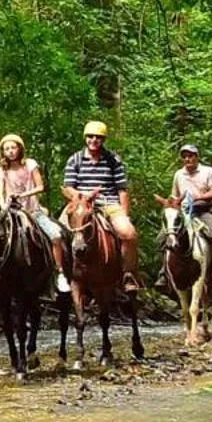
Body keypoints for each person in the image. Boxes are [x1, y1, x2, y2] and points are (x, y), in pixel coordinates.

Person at [61, 120, 141, 294]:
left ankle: (128, 274)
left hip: (108, 203)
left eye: (98, 137)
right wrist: (82, 196)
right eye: (90, 136)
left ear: (103, 139)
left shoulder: (113, 160)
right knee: (57, 233)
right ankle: (60, 273)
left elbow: (122, 189)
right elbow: (68, 187)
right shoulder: (74, 159)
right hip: (80, 204)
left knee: (129, 234)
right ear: (85, 138)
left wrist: (124, 214)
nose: (94, 140)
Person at [0, 133, 71, 293]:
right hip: (11, 212)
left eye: (13, 147)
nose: (10, 151)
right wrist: (4, 205)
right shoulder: (2, 170)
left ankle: (59, 272)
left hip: (33, 211)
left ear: (20, 149)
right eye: (7, 148)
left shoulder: (30, 164)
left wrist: (23, 195)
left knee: (55, 235)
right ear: (3, 152)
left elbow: (40, 186)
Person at [171, 143, 212, 250]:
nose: (187, 159)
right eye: (184, 157)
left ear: (197, 157)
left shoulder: (208, 171)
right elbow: (174, 196)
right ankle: (165, 266)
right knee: (164, 237)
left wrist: (198, 198)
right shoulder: (178, 174)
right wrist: (174, 205)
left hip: (202, 212)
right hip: (182, 214)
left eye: (190, 156)